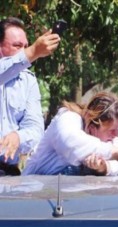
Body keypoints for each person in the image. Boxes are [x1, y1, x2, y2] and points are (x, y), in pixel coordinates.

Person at [0, 17, 61, 175]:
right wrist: (33, 52)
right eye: (17, 46)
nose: (24, 52)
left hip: (8, 174)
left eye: (26, 46)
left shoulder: (28, 80)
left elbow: (35, 129)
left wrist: (18, 137)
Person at [23, 92, 118, 176]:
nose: (116, 135)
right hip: (36, 192)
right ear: (91, 125)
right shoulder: (68, 118)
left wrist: (103, 167)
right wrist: (113, 152)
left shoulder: (111, 137)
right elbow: (69, 143)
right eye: (111, 130)